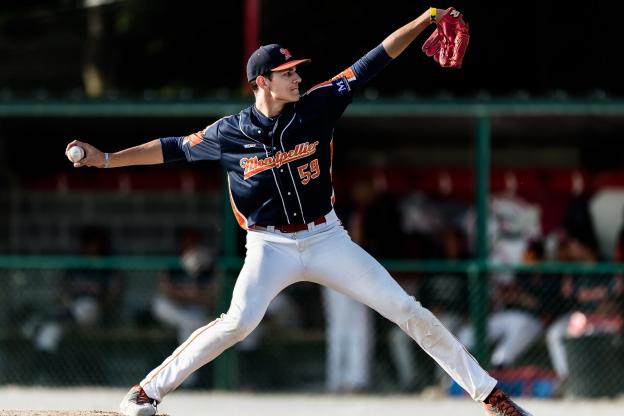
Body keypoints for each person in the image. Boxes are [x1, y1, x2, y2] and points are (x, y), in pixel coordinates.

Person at [66, 7, 532, 416]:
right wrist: (106, 158)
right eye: (287, 71)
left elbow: (375, 59)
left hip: (326, 237)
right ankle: (146, 393)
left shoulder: (318, 107)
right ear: (262, 82)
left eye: (296, 69)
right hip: (269, 244)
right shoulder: (229, 133)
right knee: (238, 322)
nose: (298, 76)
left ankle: (492, 397)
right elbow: (168, 149)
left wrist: (427, 17)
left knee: (405, 310)